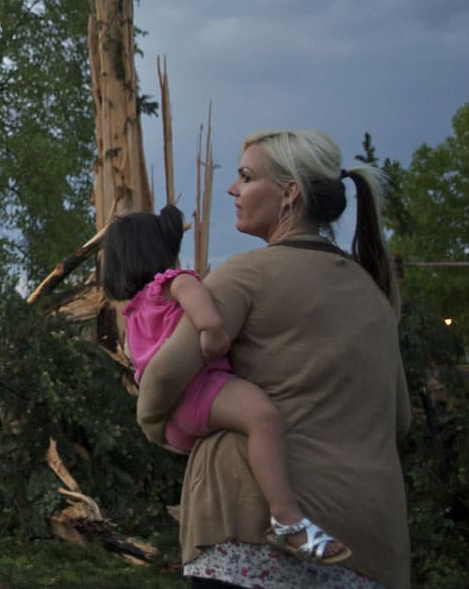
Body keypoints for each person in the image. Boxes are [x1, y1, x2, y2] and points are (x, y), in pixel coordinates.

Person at [136, 129, 410, 589]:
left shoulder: (246, 274)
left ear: (289, 194)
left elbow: (164, 374)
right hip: (372, 545)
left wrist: (153, 425)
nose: (231, 188)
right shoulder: (373, 295)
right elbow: (399, 420)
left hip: (254, 538)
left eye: (245, 177)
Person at [103, 204, 348, 564]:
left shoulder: (134, 311)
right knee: (263, 418)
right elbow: (206, 314)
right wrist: (213, 333)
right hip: (201, 390)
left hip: (174, 418)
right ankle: (286, 517)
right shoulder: (176, 282)